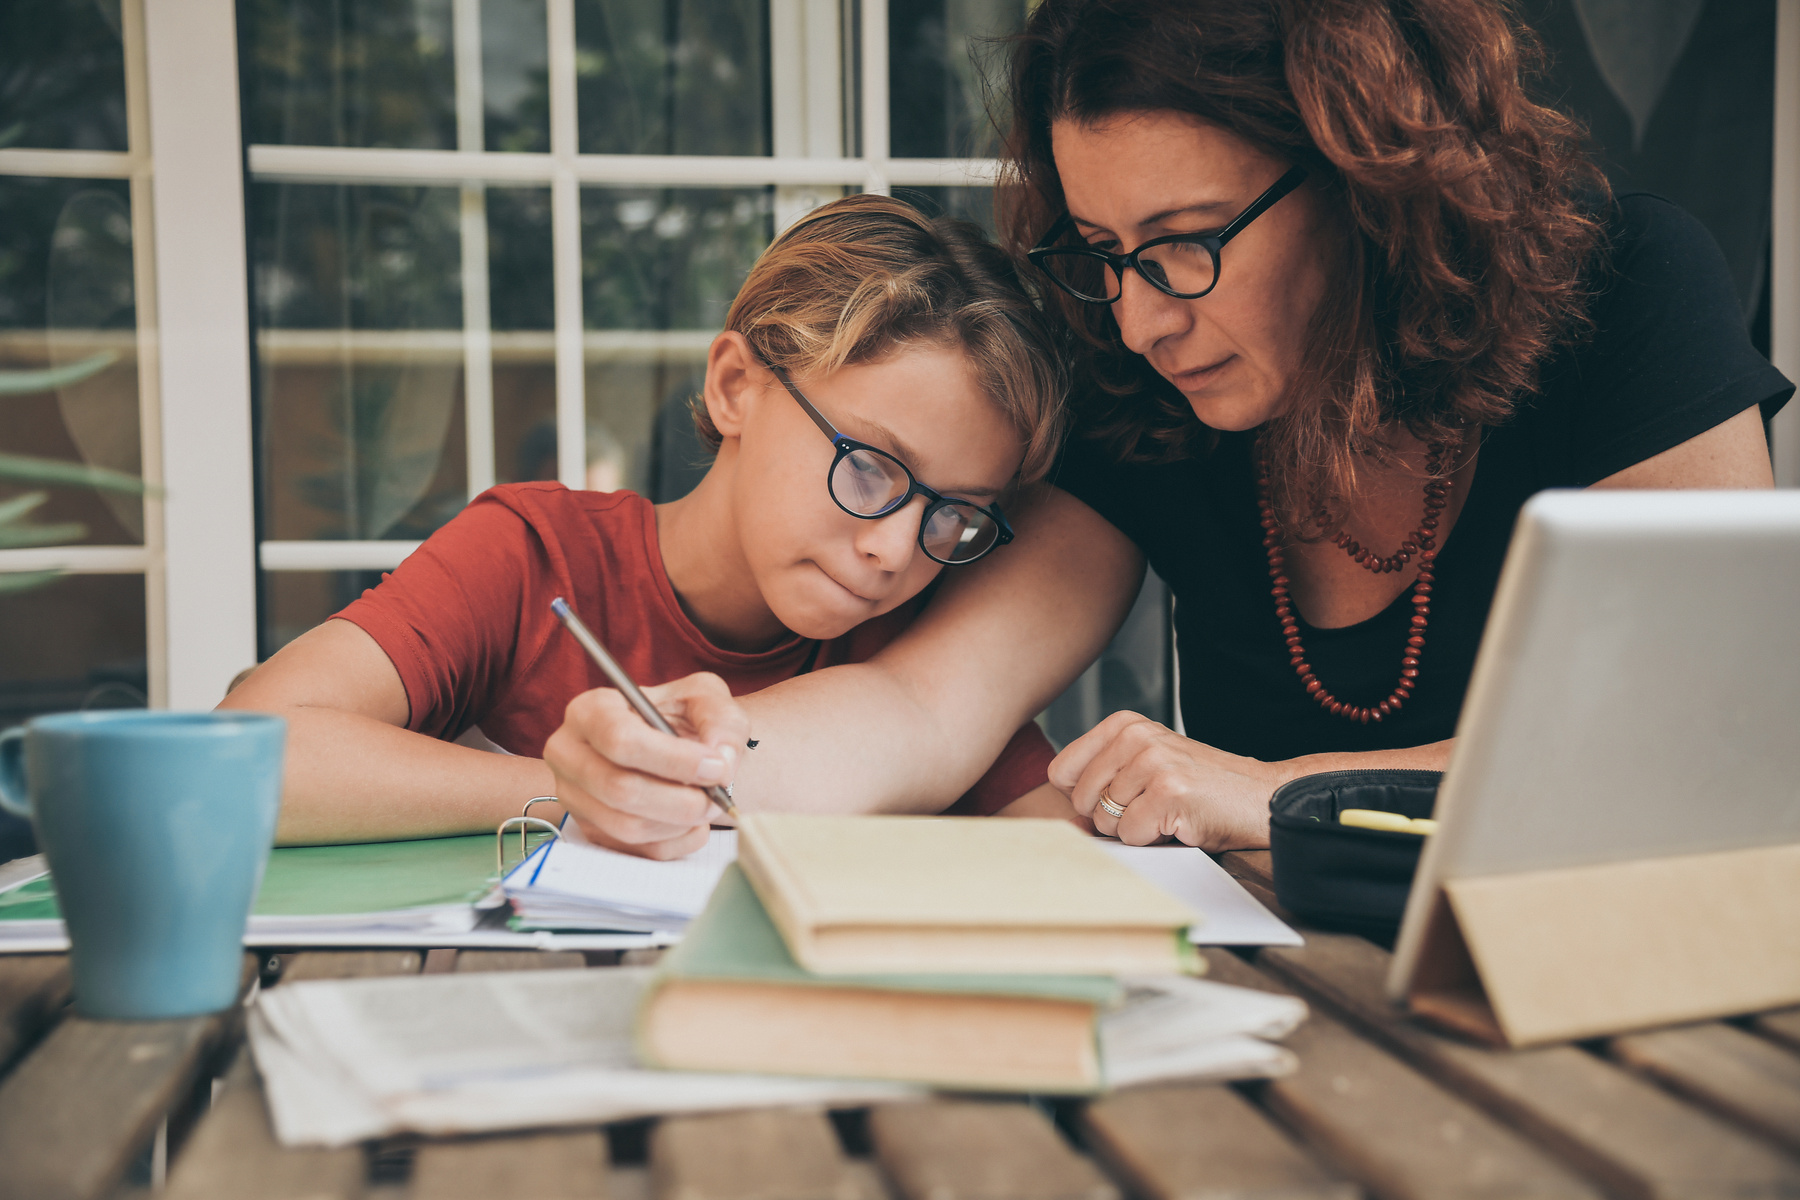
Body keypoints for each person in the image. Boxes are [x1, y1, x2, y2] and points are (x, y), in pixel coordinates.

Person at [545, 0, 1792, 857]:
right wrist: (680, 763)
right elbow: (922, 712)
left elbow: (1702, 750)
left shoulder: (1623, 290)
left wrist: (1264, 793)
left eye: (1184, 244)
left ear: (1368, 179)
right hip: (1298, 1013)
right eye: (1101, 253)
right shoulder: (1146, 393)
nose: (1140, 317)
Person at [220, 194, 1071, 852]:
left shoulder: (919, 644)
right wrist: (577, 790)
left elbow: (1065, 852)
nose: (893, 549)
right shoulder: (533, 557)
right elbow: (242, 756)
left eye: (955, 515)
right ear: (737, 386)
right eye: (869, 467)